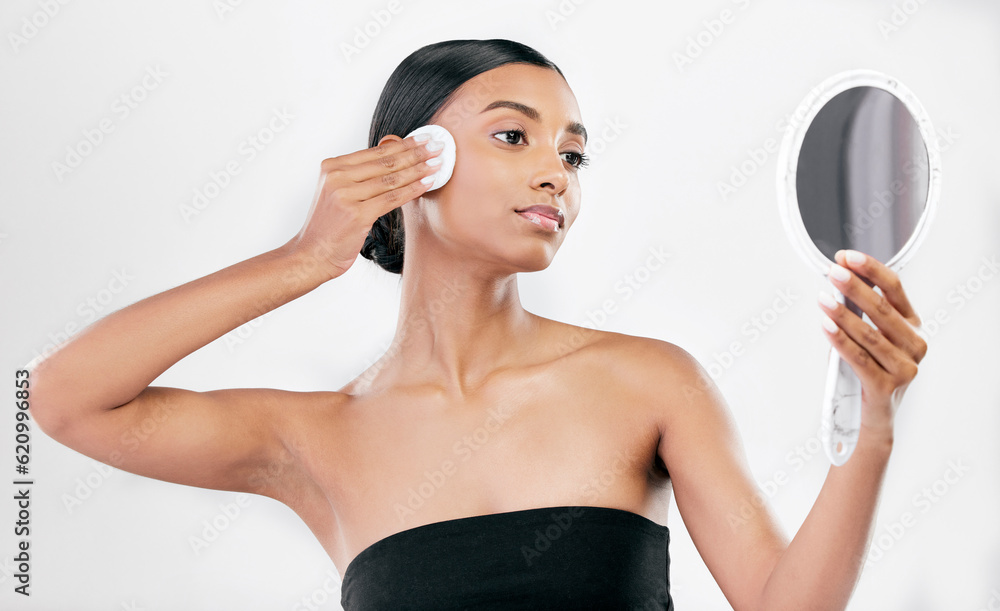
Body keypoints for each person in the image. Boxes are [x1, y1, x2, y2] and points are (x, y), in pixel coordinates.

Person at [28, 39, 927, 610]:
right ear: (409, 162)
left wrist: (874, 431)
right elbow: (64, 400)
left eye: (573, 153)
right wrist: (305, 257)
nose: (557, 175)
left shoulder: (650, 382)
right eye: (514, 137)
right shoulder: (315, 435)